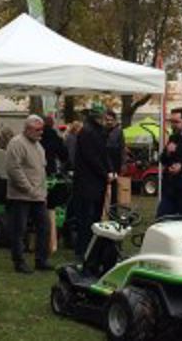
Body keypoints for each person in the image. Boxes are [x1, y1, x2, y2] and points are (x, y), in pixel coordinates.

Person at [6, 115, 53, 274]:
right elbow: (13, 169)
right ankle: (19, 262)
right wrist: (28, 189)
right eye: (37, 129)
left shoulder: (39, 146)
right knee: (19, 230)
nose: (41, 132)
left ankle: (41, 260)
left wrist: (42, 192)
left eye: (42, 129)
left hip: (38, 196)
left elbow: (41, 171)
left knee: (45, 227)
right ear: (27, 129)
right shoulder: (17, 143)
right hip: (21, 196)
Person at [71, 107, 113, 260]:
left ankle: (92, 249)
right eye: (102, 117)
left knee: (94, 217)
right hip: (87, 183)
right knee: (86, 218)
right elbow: (91, 157)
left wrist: (109, 170)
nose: (105, 120)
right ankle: (82, 250)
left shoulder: (98, 131)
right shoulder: (87, 132)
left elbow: (103, 154)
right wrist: (105, 172)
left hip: (96, 182)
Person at [104, 109, 124, 203]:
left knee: (114, 189)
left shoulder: (118, 132)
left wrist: (123, 164)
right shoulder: (102, 131)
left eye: (111, 120)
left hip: (115, 165)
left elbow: (122, 148)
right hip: (103, 164)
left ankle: (114, 211)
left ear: (115, 120)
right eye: (107, 120)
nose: (109, 122)